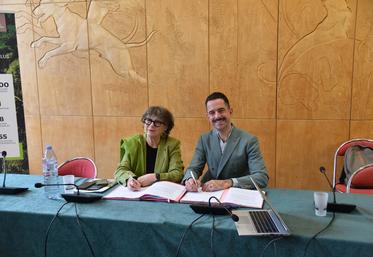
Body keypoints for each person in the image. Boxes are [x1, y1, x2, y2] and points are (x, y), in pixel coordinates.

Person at [183, 92, 269, 192]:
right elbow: (193, 168)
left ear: (230, 111)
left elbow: (262, 177)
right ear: (208, 116)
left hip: (237, 194)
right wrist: (189, 180)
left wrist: (228, 182)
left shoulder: (249, 140)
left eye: (221, 111)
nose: (217, 116)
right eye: (212, 113)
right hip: (209, 194)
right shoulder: (204, 139)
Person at [114, 106, 184, 191]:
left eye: (157, 122)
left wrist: (155, 177)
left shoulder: (172, 145)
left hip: (162, 192)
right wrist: (130, 179)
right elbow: (120, 170)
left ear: (165, 127)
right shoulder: (132, 143)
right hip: (137, 191)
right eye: (148, 121)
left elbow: (177, 174)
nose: (151, 125)